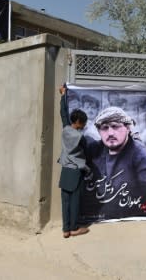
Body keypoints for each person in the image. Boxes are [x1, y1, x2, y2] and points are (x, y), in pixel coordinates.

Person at [82, 106, 146, 221]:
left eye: (115, 126)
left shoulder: (141, 156)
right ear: (99, 131)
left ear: (128, 128)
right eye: (105, 128)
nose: (110, 133)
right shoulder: (95, 148)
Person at [58, 85, 90, 238]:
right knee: (75, 201)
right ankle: (74, 228)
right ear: (79, 123)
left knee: (65, 202)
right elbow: (87, 150)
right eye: (83, 123)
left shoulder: (65, 129)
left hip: (65, 170)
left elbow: (63, 114)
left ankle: (65, 230)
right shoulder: (80, 137)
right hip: (76, 172)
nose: (84, 125)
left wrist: (63, 95)